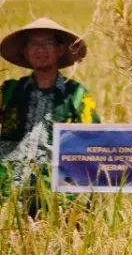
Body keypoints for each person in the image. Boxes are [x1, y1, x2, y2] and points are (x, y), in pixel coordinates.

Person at [0, 18, 99, 211]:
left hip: (58, 197)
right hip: (10, 191)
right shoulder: (9, 91)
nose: (40, 49)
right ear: (25, 52)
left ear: (60, 51)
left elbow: (94, 141)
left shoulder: (77, 95)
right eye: (34, 44)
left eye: (48, 44)